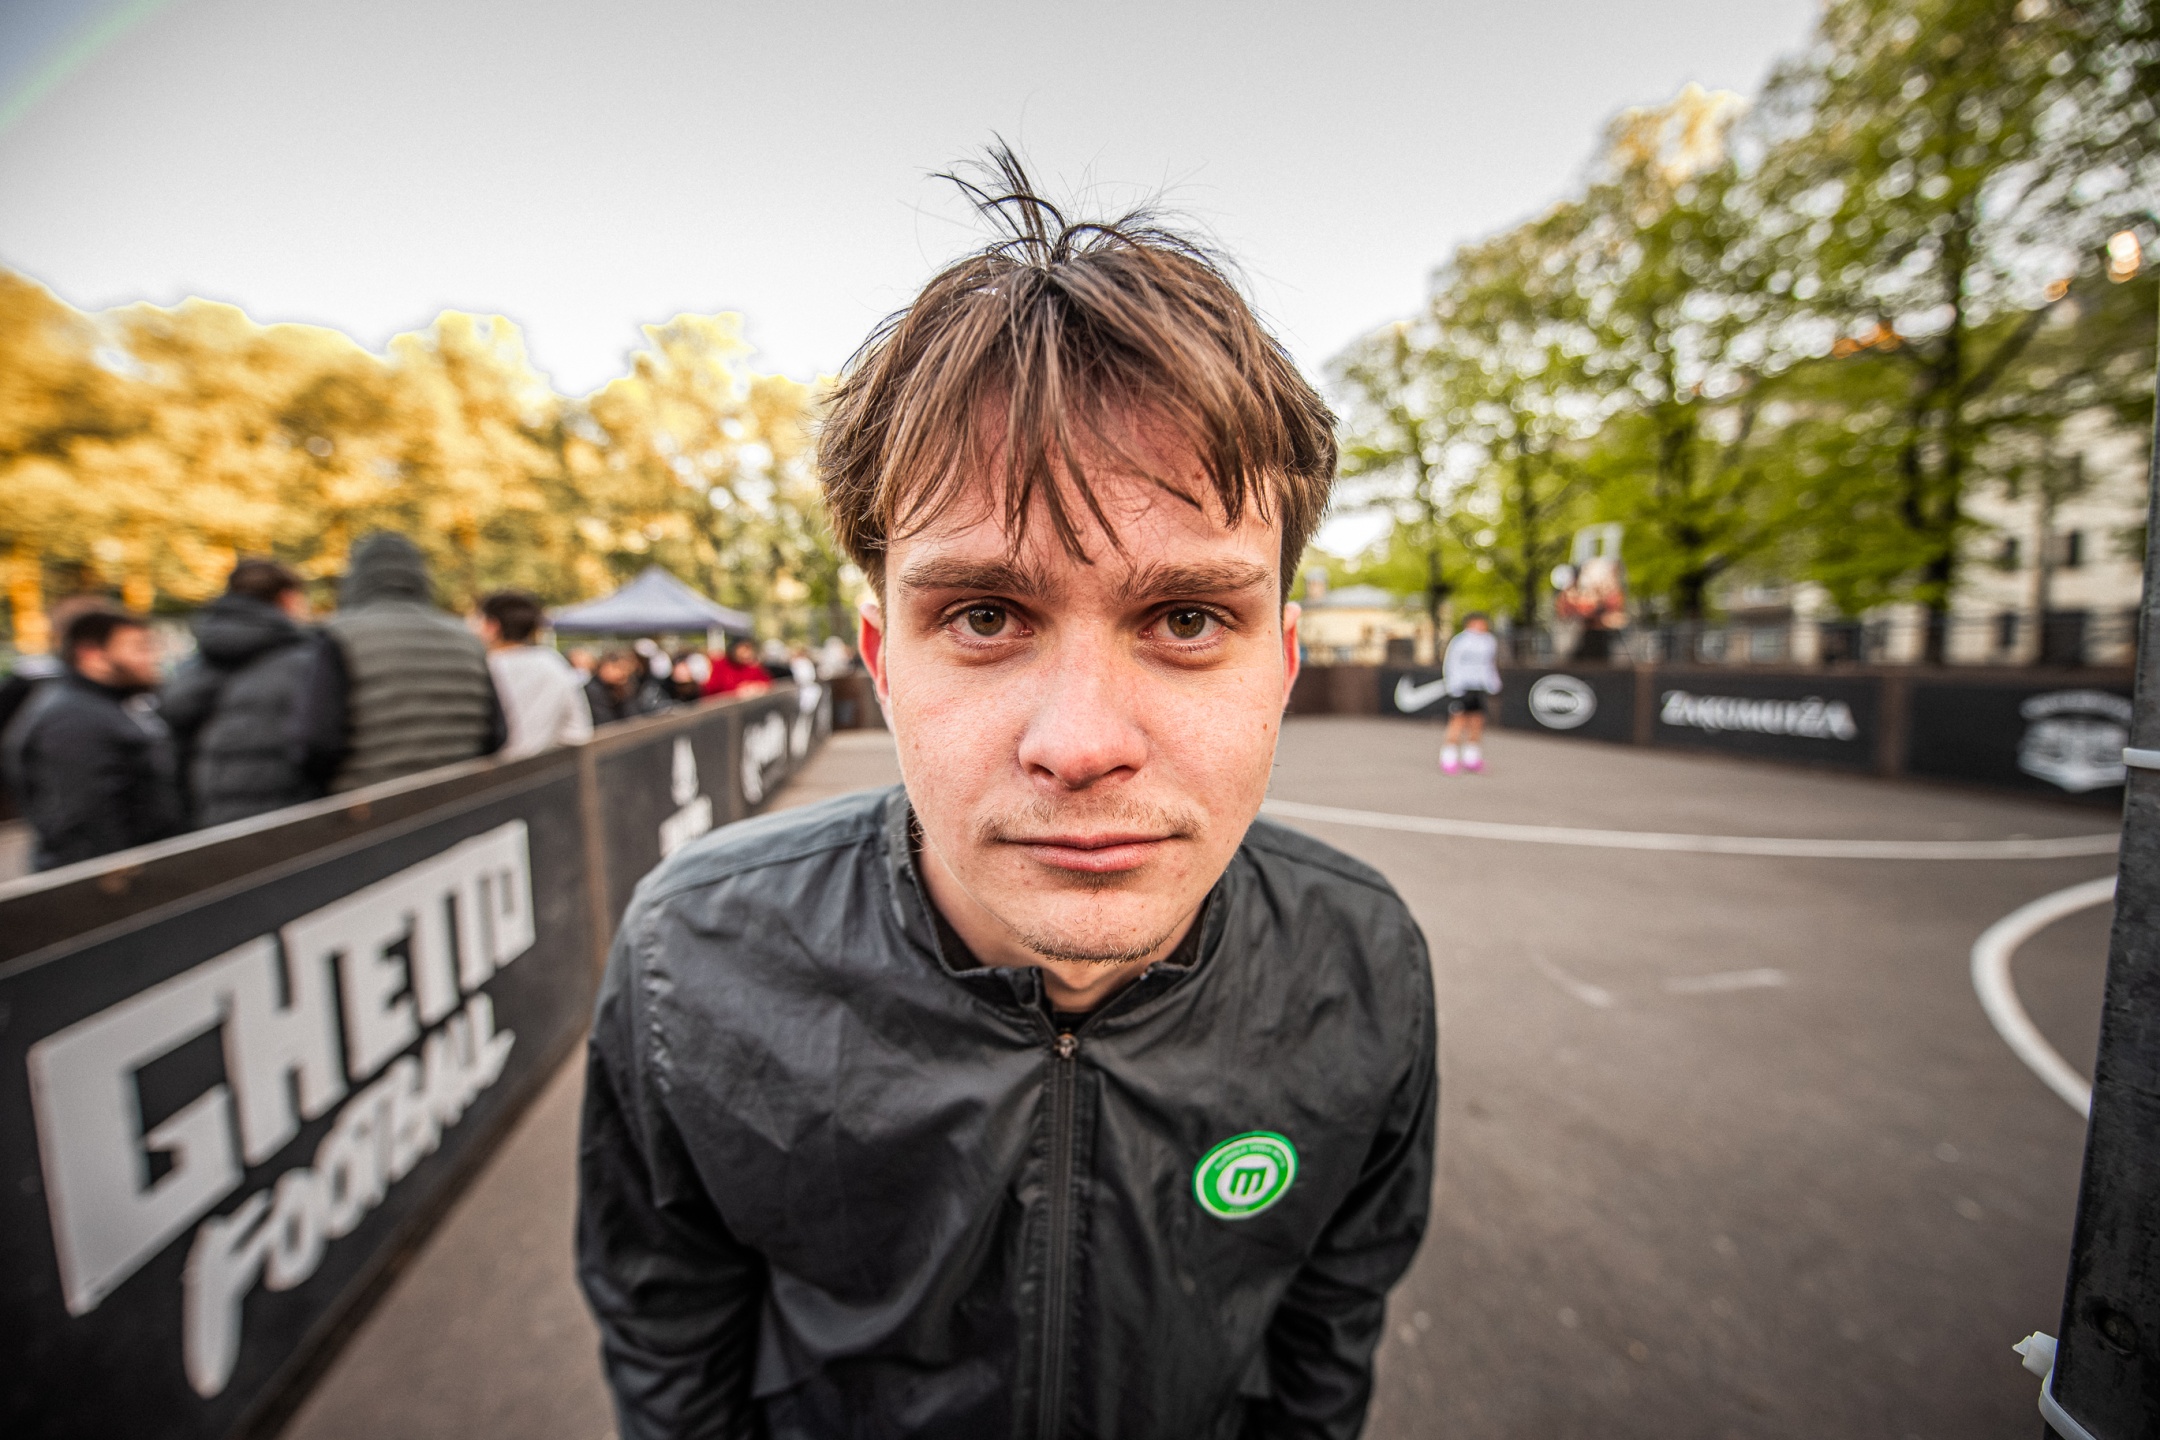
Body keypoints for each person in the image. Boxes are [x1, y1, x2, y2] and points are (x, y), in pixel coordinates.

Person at [577, 154, 1436, 1440]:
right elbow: (668, 1339)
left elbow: (1326, 1339)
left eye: (1188, 617)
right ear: (882, 663)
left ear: (1284, 662)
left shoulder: (1364, 963)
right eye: (985, 614)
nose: (1080, 745)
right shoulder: (689, 960)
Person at [289, 531, 505, 793]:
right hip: (455, 800)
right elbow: (496, 736)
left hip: (368, 804)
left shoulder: (340, 636)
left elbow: (318, 742)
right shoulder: (467, 640)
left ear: (356, 577)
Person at [3, 608, 186, 870]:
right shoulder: (72, 720)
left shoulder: (105, 705)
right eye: (139, 648)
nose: (152, 657)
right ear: (91, 654)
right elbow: (85, 823)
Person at [161, 559, 322, 827]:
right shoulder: (308, 659)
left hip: (210, 818)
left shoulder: (196, 663)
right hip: (290, 816)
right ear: (288, 599)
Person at [479, 589, 594, 759]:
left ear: (492, 626)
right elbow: (578, 731)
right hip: (549, 766)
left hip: (493, 769)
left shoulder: (487, 666)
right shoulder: (552, 661)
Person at [1440, 611, 1502, 775]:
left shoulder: (1489, 641)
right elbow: (1451, 663)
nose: (1482, 626)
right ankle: (1449, 759)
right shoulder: (1460, 641)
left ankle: (1471, 758)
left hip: (1479, 687)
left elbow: (1489, 664)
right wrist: (1453, 685)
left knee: (1477, 722)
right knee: (1458, 721)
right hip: (1462, 687)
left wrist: (1493, 683)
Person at [585, 649, 665, 725]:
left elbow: (633, 717)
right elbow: (605, 722)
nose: (624, 675)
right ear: (607, 666)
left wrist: (624, 693)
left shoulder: (621, 686)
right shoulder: (593, 689)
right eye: (620, 668)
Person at [700, 637, 771, 697]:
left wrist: (755, 687)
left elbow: (767, 683)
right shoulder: (721, 665)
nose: (747, 654)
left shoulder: (752, 667)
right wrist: (736, 691)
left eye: (748, 649)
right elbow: (711, 689)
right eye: (744, 650)